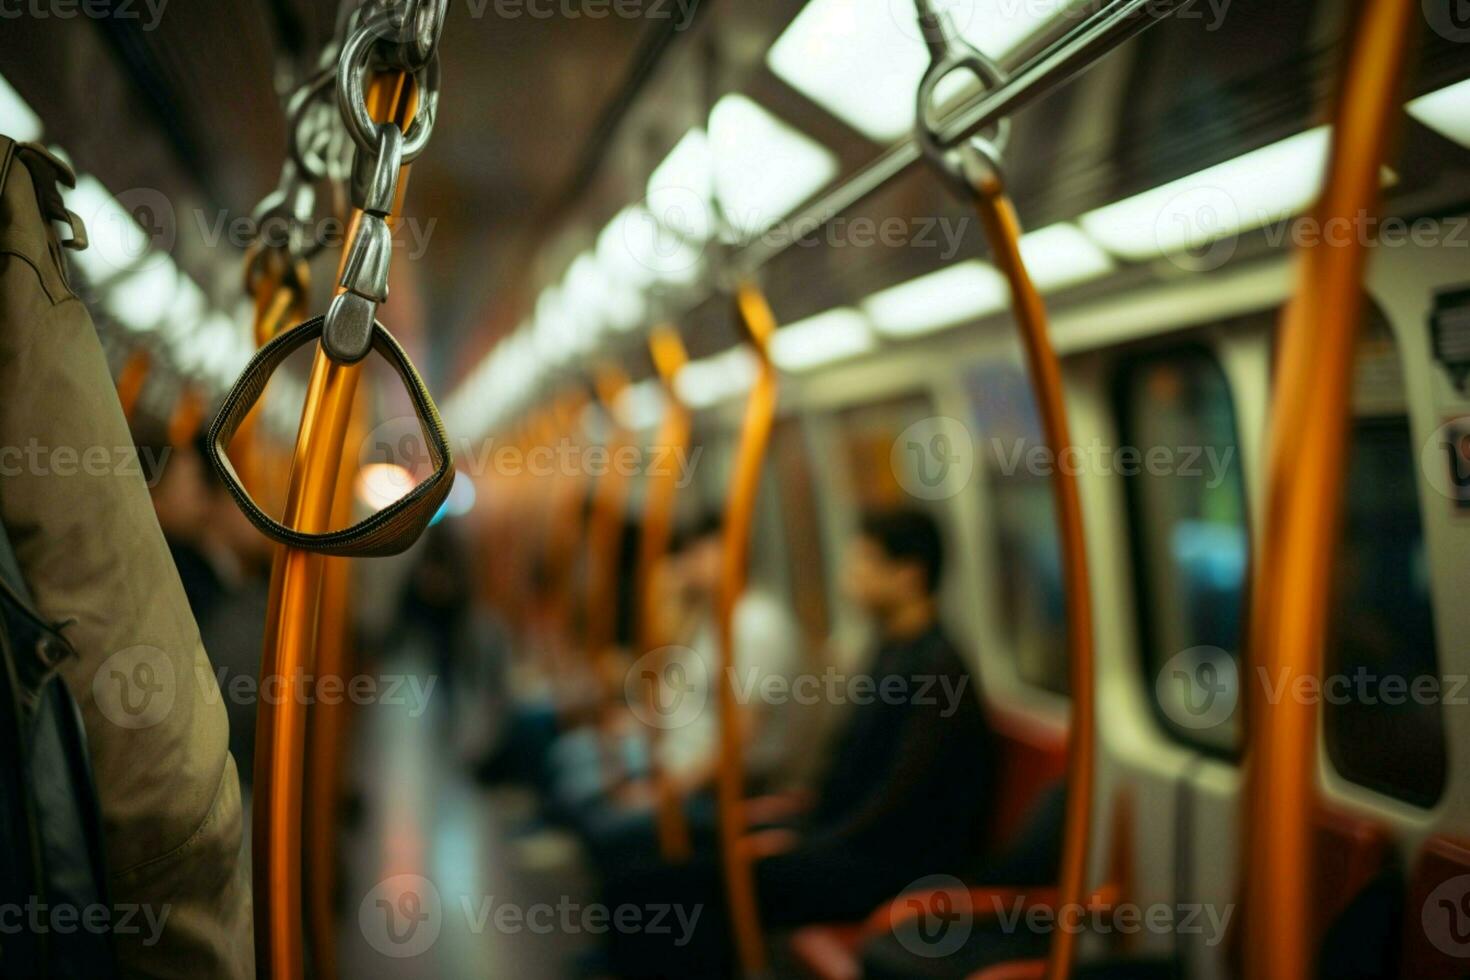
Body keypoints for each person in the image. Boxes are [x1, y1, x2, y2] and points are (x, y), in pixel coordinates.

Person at [602, 507, 993, 977]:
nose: (849, 579)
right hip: (842, 840)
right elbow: (848, 774)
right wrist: (803, 827)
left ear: (909, 575)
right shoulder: (890, 650)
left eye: (863, 565)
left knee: (660, 888)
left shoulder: (940, 672)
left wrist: (806, 843)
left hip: (886, 867)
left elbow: (900, 801)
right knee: (663, 874)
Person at [559, 510, 803, 861]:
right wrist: (671, 608)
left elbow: (738, 741)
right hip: (678, 758)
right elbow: (667, 693)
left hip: (721, 786)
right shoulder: (708, 616)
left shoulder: (754, 624)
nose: (687, 565)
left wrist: (665, 792)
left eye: (699, 553)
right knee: (573, 768)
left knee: (600, 818)